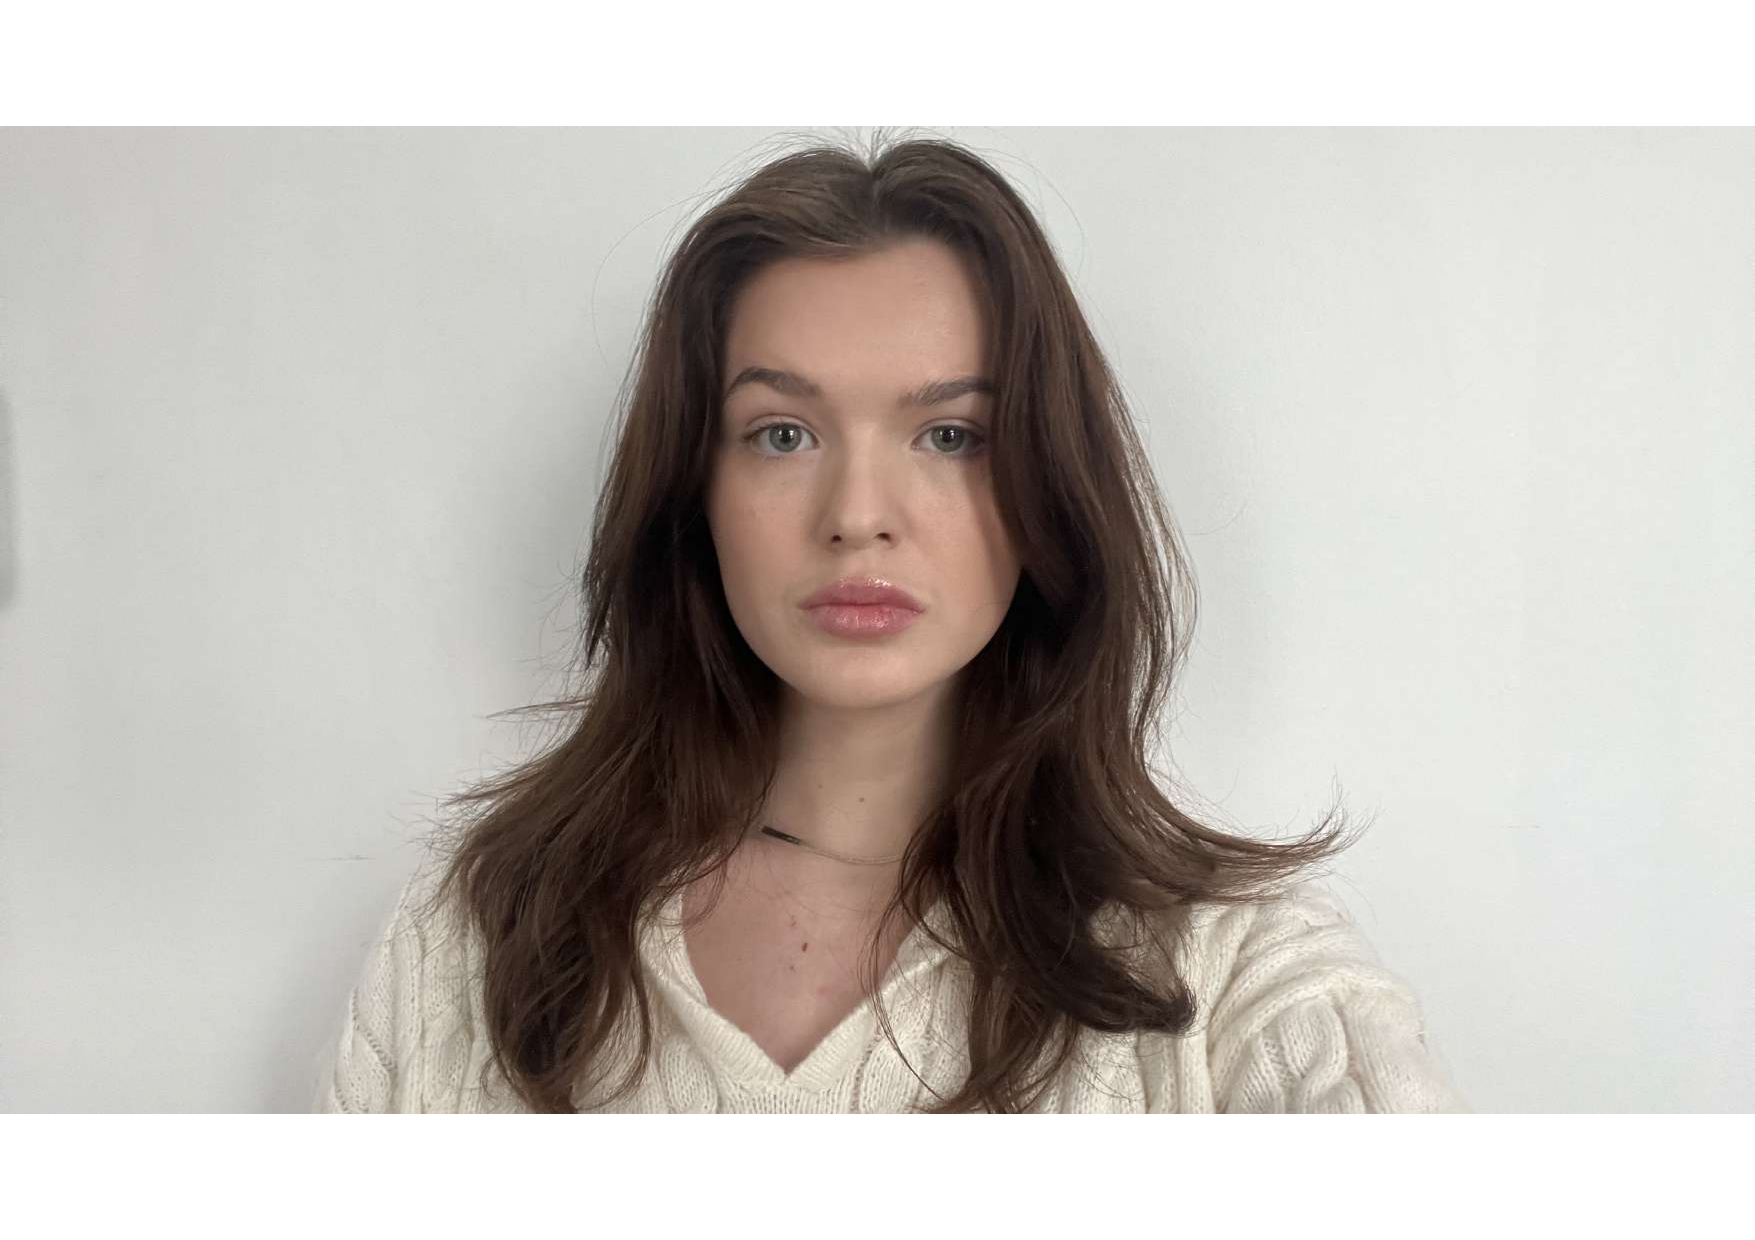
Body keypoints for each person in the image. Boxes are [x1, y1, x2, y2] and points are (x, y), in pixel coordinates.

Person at [312, 130, 1470, 1113]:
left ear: (1046, 488)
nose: (858, 514)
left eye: (950, 435)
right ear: (692, 493)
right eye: (782, 434)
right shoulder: (469, 945)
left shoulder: (1246, 988)